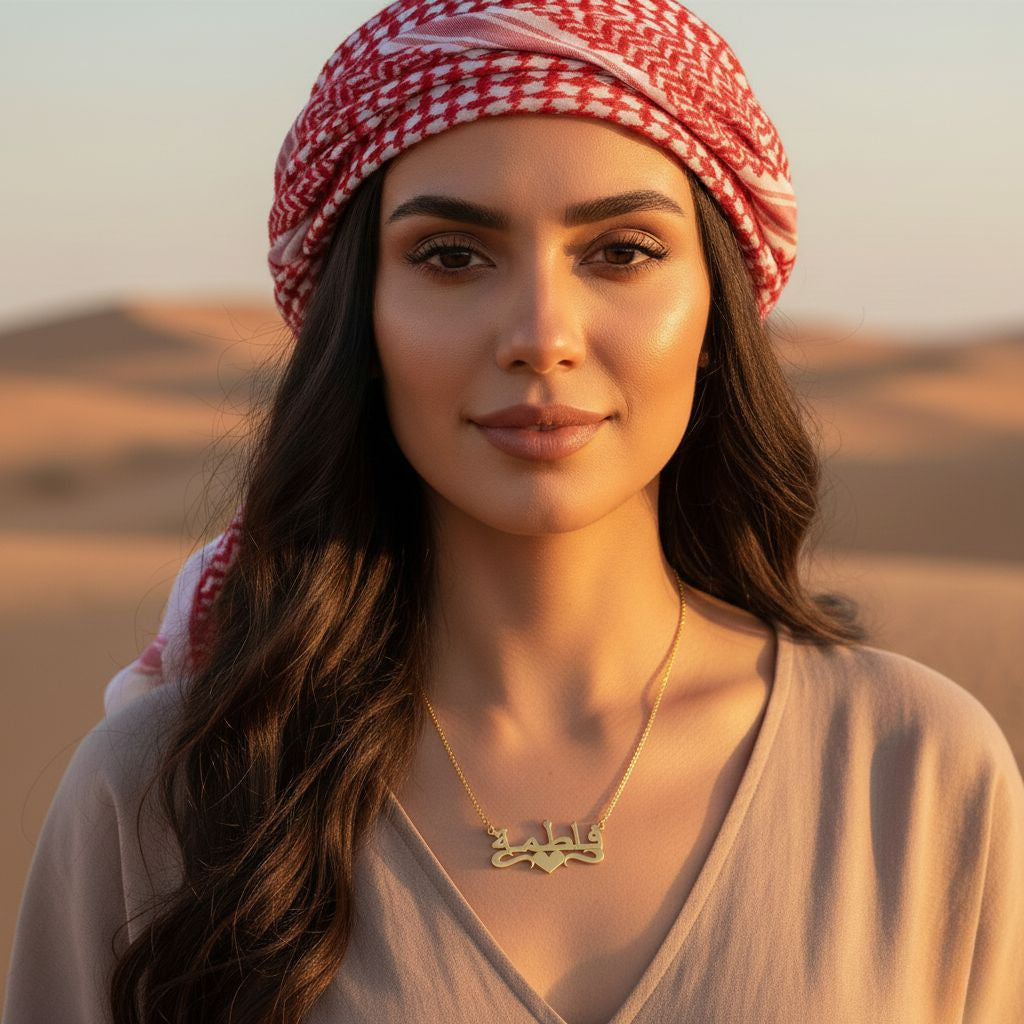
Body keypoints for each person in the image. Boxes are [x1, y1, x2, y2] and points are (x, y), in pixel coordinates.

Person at [4, 1, 1023, 1022]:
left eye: (622, 252)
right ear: (360, 319)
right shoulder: (162, 794)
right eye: (451, 255)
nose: (541, 333)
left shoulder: (916, 770)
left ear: (716, 311)